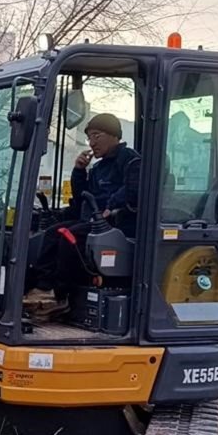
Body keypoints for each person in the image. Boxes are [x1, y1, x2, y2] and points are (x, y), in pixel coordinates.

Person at [33, 113, 142, 302]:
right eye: (89, 137)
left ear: (114, 135)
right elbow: (82, 196)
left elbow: (132, 188)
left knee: (70, 237)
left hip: (116, 223)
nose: (91, 143)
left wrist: (111, 206)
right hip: (93, 221)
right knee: (53, 233)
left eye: (96, 136)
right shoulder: (98, 168)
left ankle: (61, 295)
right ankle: (42, 287)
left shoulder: (130, 159)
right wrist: (79, 171)